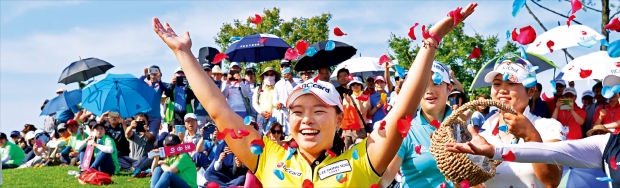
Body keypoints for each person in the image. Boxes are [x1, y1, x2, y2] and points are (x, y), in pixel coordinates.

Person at [151, 3, 477, 186]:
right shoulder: (267, 157)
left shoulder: (363, 161)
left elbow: (402, 112)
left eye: (319, 110)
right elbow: (219, 111)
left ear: (338, 120)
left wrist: (430, 42)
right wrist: (183, 55)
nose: (307, 118)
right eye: (297, 111)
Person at [476, 54, 564, 187]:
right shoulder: (483, 135)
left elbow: (552, 181)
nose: (502, 90)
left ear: (531, 91)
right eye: (497, 84)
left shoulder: (549, 128)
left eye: (512, 83)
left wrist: (531, 137)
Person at [380, 62, 454, 188]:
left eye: (436, 83)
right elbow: (385, 180)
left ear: (450, 88)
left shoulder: (462, 128)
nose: (429, 90)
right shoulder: (406, 130)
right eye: (423, 84)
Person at [140, 65, 171, 137]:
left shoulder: (161, 84)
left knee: (152, 136)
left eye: (156, 71)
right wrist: (144, 75)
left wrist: (159, 79)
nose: (153, 73)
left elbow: (165, 89)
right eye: (151, 71)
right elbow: (137, 84)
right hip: (143, 115)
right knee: (141, 134)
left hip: (155, 116)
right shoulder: (145, 84)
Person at [342, 76, 370, 149]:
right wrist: (348, 103)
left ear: (361, 85)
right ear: (351, 87)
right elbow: (346, 113)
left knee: (358, 150)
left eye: (357, 84)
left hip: (360, 129)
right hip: (348, 129)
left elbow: (362, 111)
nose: (355, 85)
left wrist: (358, 100)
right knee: (346, 151)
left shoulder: (366, 97)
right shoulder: (347, 97)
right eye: (353, 84)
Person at [273, 60, 298, 135]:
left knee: (293, 134)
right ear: (280, 69)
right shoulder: (277, 84)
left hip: (294, 112)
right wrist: (277, 103)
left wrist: (291, 81)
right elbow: (274, 99)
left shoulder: (297, 80)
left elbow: (299, 92)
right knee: (281, 135)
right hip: (281, 113)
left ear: (291, 67)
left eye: (286, 66)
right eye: (282, 67)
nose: (284, 68)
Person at [252, 67, 279, 135]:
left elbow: (279, 103)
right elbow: (254, 103)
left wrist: (272, 113)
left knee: (273, 135)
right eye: (267, 75)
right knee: (260, 135)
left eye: (271, 75)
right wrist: (262, 112)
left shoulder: (278, 88)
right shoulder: (258, 89)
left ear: (275, 77)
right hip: (261, 116)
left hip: (274, 116)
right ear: (263, 77)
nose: (269, 77)